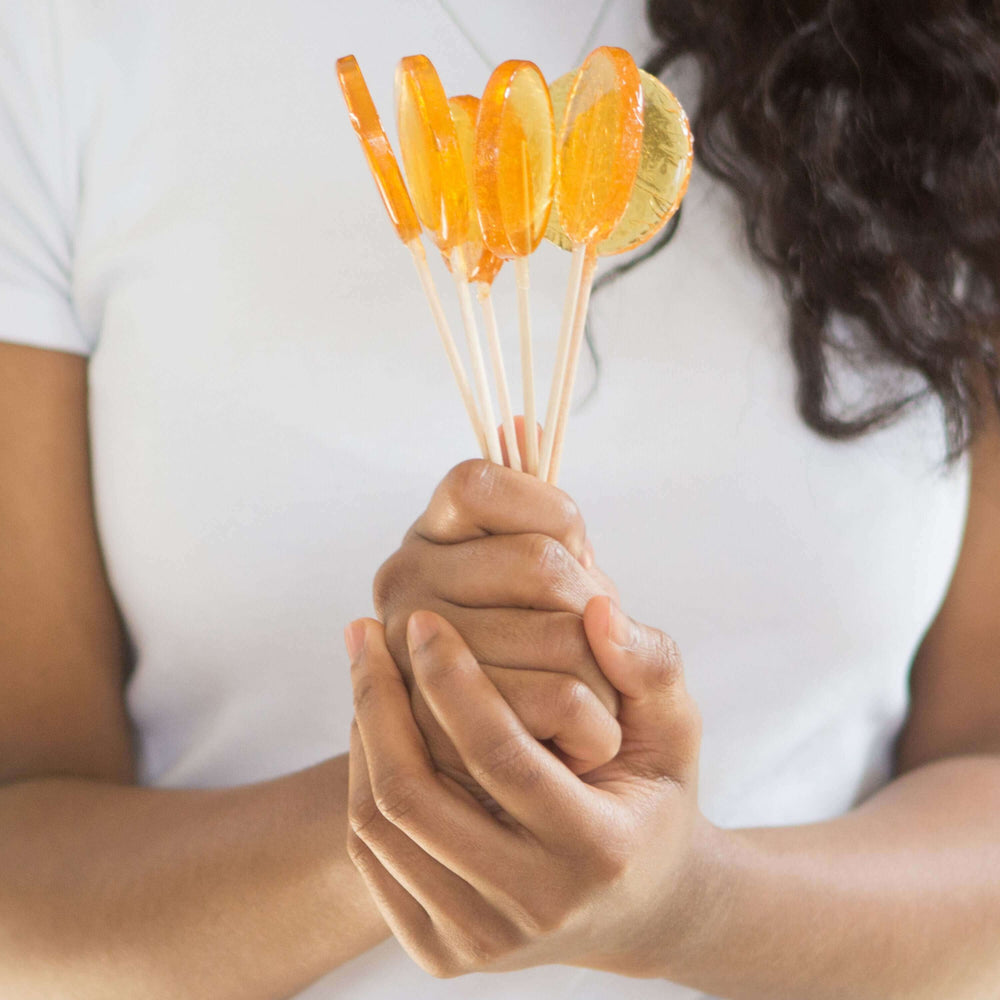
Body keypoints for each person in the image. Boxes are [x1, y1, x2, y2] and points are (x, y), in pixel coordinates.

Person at [0, 1, 997, 998]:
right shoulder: (63, 35)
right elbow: (23, 860)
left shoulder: (952, 44)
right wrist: (423, 787)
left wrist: (692, 899)